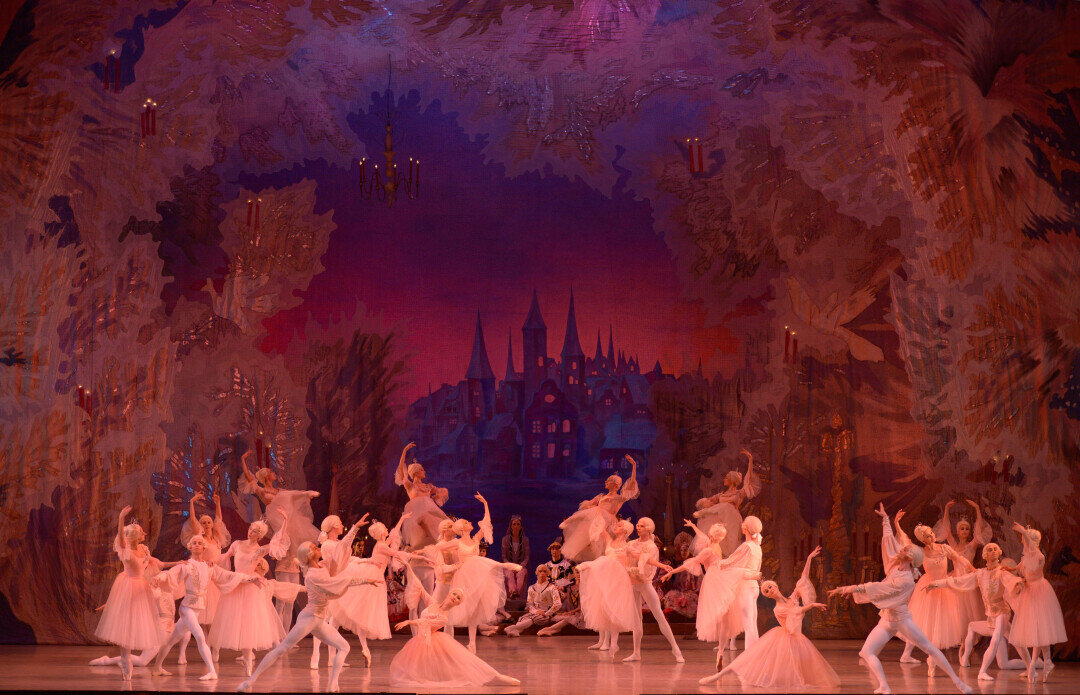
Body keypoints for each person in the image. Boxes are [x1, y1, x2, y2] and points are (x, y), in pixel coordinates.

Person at [829, 503, 972, 695]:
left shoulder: (906, 581)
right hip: (887, 619)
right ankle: (884, 686)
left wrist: (849, 588)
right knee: (866, 652)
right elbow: (888, 544)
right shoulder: (895, 566)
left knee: (930, 648)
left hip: (902, 620)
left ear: (910, 558)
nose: (902, 550)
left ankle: (960, 684)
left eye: (906, 550)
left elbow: (879, 588)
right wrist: (886, 521)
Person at [236, 541, 382, 693]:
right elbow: (336, 582)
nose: (317, 548)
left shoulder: (322, 567)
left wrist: (354, 531)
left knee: (344, 647)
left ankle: (333, 685)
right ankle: (249, 682)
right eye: (314, 548)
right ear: (309, 555)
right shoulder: (313, 574)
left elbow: (340, 554)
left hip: (319, 620)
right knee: (282, 648)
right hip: (309, 618)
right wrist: (365, 580)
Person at [151, 535, 262, 681]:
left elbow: (227, 575)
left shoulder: (209, 567)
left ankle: (157, 668)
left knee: (171, 640)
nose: (197, 545)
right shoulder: (186, 565)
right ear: (190, 547)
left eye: (200, 543)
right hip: (187, 608)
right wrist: (158, 578)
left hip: (197, 609)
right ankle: (212, 671)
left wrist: (250, 578)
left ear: (204, 547)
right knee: (200, 636)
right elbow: (170, 575)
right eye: (194, 543)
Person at [390, 566, 520, 688]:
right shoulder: (433, 603)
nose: (455, 597)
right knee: (417, 667)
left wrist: (409, 622)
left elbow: (426, 623)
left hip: (431, 641)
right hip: (421, 639)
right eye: (454, 594)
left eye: (458, 598)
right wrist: (408, 566)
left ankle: (497, 676)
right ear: (449, 594)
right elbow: (421, 588)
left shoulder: (444, 618)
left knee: (464, 661)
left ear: (458, 604)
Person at [331, 514, 434, 666]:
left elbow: (393, 535)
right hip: (374, 578)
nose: (387, 529)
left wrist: (401, 519)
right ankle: (362, 648)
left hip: (376, 576)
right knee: (360, 614)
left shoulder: (382, 544)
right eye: (385, 528)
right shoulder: (382, 546)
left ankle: (365, 649)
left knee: (362, 616)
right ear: (381, 533)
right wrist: (422, 558)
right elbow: (399, 554)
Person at [701, 579, 838, 689]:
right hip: (783, 638)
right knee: (747, 659)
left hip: (795, 638)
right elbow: (797, 611)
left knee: (798, 664)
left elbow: (803, 579)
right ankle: (716, 677)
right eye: (766, 591)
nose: (769, 590)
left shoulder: (791, 598)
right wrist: (812, 605)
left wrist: (809, 558)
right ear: (768, 596)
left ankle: (797, 679)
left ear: (775, 586)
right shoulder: (777, 609)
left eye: (770, 587)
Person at [239, 450, 320, 629]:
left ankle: (286, 632)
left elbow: (292, 495)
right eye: (271, 472)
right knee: (284, 538)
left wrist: (305, 495)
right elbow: (249, 477)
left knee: (291, 528)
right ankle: (277, 632)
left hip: (286, 517)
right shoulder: (262, 490)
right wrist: (243, 459)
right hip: (275, 517)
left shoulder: (279, 491)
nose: (274, 474)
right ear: (266, 476)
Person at [925, 543, 1027, 681]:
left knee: (995, 640)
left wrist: (1019, 584)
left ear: (999, 553)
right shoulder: (980, 574)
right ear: (984, 555)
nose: (993, 551)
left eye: (995, 549)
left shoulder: (1002, 573)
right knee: (1006, 658)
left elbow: (1014, 581)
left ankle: (982, 671)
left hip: (1002, 612)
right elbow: (959, 581)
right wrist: (936, 583)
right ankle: (1034, 665)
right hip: (991, 618)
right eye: (989, 549)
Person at [440, 493, 522, 652]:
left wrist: (485, 504)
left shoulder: (476, 539)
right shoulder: (457, 542)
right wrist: (438, 557)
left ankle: (472, 643)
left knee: (475, 611)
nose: (470, 522)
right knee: (458, 607)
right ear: (462, 528)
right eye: (467, 522)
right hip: (464, 576)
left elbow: (486, 523)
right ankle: (446, 640)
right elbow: (440, 547)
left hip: (477, 575)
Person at [93, 507, 167, 681]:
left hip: (141, 587)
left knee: (138, 623)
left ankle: (126, 663)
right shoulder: (125, 551)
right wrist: (120, 518)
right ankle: (126, 664)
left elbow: (158, 563)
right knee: (125, 626)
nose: (144, 533)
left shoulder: (144, 549)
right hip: (127, 585)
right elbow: (121, 539)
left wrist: (180, 562)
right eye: (141, 531)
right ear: (134, 535)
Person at [208, 519, 289, 672]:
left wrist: (284, 521)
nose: (250, 532)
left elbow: (278, 541)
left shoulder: (260, 550)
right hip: (236, 585)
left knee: (248, 624)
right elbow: (224, 556)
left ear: (260, 535)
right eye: (251, 529)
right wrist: (212, 561)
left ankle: (248, 660)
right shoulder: (237, 544)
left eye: (255, 531)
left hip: (251, 588)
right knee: (227, 619)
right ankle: (216, 650)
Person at [661, 520, 742, 665]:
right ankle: (721, 650)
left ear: (711, 534)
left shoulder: (708, 550)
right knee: (724, 615)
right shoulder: (715, 545)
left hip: (713, 580)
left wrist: (672, 571)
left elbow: (690, 563)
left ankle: (721, 650)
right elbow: (702, 536)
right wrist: (693, 526)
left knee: (720, 616)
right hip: (721, 577)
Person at [899, 517, 972, 672]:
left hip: (943, 586)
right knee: (921, 621)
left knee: (940, 621)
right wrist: (896, 525)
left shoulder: (944, 548)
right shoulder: (920, 552)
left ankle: (932, 657)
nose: (931, 536)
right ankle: (910, 655)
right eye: (927, 535)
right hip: (927, 587)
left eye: (931, 533)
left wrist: (973, 571)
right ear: (922, 539)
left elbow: (959, 559)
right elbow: (905, 542)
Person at [1007, 522, 1067, 683]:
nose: (1022, 541)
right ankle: (1044, 662)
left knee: (1040, 631)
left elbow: (1031, 548)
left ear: (1030, 540)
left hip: (1040, 592)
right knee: (1038, 632)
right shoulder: (1027, 556)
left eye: (1023, 539)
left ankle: (1036, 664)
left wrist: (1023, 531)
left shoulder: (1037, 554)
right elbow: (1018, 567)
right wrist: (1007, 569)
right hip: (1030, 592)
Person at [310, 513, 369, 670]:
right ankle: (315, 656)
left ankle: (332, 659)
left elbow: (348, 558)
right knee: (322, 620)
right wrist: (355, 528)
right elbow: (342, 549)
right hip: (330, 583)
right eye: (340, 523)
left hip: (338, 583)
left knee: (333, 622)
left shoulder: (336, 543)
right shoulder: (328, 544)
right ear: (334, 526)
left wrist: (368, 561)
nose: (342, 525)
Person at [177, 492, 231, 663]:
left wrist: (218, 503)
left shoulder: (217, 538)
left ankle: (216, 648)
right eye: (204, 523)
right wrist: (192, 502)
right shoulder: (199, 539)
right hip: (203, 579)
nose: (207, 524)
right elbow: (193, 520)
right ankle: (207, 647)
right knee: (203, 620)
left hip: (215, 578)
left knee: (215, 618)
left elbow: (219, 519)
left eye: (209, 522)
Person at [623, 517, 684, 663]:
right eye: (638, 525)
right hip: (632, 584)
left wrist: (632, 570)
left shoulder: (651, 547)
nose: (638, 528)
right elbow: (626, 560)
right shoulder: (631, 544)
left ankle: (676, 649)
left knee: (659, 615)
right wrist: (628, 570)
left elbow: (647, 567)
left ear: (649, 529)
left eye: (642, 526)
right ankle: (636, 652)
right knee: (636, 619)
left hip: (644, 583)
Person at [559, 455, 639, 561]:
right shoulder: (601, 496)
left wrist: (634, 465)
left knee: (602, 544)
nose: (606, 482)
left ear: (615, 485)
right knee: (594, 513)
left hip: (608, 522)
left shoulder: (619, 498)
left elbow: (631, 484)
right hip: (597, 519)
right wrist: (590, 506)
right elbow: (587, 505)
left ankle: (601, 559)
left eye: (609, 480)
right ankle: (569, 521)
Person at [576, 519, 638, 655]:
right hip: (605, 577)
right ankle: (602, 641)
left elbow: (629, 562)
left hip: (618, 579)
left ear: (625, 531)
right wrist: (601, 510)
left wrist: (632, 571)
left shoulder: (627, 546)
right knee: (602, 607)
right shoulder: (610, 541)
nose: (616, 526)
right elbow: (602, 528)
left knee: (613, 609)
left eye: (619, 525)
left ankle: (614, 643)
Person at [692, 449, 761, 556]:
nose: (724, 479)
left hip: (732, 520)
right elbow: (709, 500)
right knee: (721, 510)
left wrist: (750, 460)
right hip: (722, 521)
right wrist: (702, 503)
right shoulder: (721, 495)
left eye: (726, 478)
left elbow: (748, 480)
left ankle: (704, 512)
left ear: (732, 480)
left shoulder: (739, 493)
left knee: (726, 507)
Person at [395, 442, 449, 550]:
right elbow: (401, 471)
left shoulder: (428, 486)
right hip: (415, 516)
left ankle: (441, 545)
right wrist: (404, 451)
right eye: (421, 469)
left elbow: (443, 491)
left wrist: (436, 496)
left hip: (429, 514)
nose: (424, 471)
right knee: (422, 539)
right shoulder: (410, 485)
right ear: (415, 472)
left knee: (438, 530)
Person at [505, 564, 561, 636]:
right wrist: (536, 611)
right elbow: (529, 604)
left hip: (546, 613)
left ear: (548, 573)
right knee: (523, 618)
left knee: (535, 618)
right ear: (536, 573)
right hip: (535, 612)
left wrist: (546, 613)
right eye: (540, 571)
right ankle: (516, 631)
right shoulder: (531, 588)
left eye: (544, 571)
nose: (542, 573)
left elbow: (558, 604)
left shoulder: (552, 587)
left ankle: (512, 628)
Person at [537, 566, 587, 636]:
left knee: (569, 618)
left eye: (582, 573)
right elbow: (565, 598)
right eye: (577, 572)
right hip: (574, 612)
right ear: (574, 574)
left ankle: (550, 629)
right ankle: (552, 630)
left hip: (583, 614)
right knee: (562, 616)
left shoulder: (586, 587)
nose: (579, 575)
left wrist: (571, 612)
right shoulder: (570, 587)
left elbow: (583, 606)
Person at [500, 515, 529, 603]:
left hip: (520, 566)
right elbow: (504, 557)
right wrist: (511, 566)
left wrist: (520, 566)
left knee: (521, 573)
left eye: (518, 524)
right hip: (508, 566)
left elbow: (526, 557)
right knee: (509, 574)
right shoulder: (505, 539)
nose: (516, 526)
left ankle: (517, 593)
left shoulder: (525, 540)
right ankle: (513, 591)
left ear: (520, 526)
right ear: (511, 526)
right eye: (514, 524)